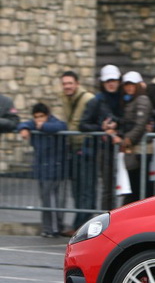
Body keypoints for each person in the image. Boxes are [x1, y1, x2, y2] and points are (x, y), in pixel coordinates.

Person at [18, 103, 68, 237]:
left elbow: (62, 126)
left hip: (54, 168)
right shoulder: (33, 124)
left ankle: (54, 228)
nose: (39, 119)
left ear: (47, 115)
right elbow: (24, 124)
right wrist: (24, 128)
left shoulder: (54, 123)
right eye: (36, 117)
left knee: (51, 199)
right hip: (41, 168)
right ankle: (48, 228)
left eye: (42, 116)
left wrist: (43, 126)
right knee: (46, 199)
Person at [79, 64, 125, 210]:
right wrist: (101, 128)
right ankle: (108, 219)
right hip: (104, 149)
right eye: (108, 81)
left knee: (126, 186)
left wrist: (117, 125)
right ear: (103, 83)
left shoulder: (124, 99)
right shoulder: (96, 101)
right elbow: (83, 125)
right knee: (108, 187)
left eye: (114, 80)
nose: (111, 84)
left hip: (125, 146)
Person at [108, 71, 152, 205]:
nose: (129, 87)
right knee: (134, 186)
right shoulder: (131, 100)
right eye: (126, 84)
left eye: (132, 84)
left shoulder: (142, 99)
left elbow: (140, 125)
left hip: (139, 148)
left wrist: (124, 140)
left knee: (140, 186)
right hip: (133, 149)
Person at [59, 71, 96, 234]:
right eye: (64, 83)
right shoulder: (66, 99)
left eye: (70, 83)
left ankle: (83, 226)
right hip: (74, 148)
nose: (67, 86)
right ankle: (79, 225)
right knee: (77, 191)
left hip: (86, 148)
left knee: (86, 190)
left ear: (77, 83)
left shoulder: (88, 99)